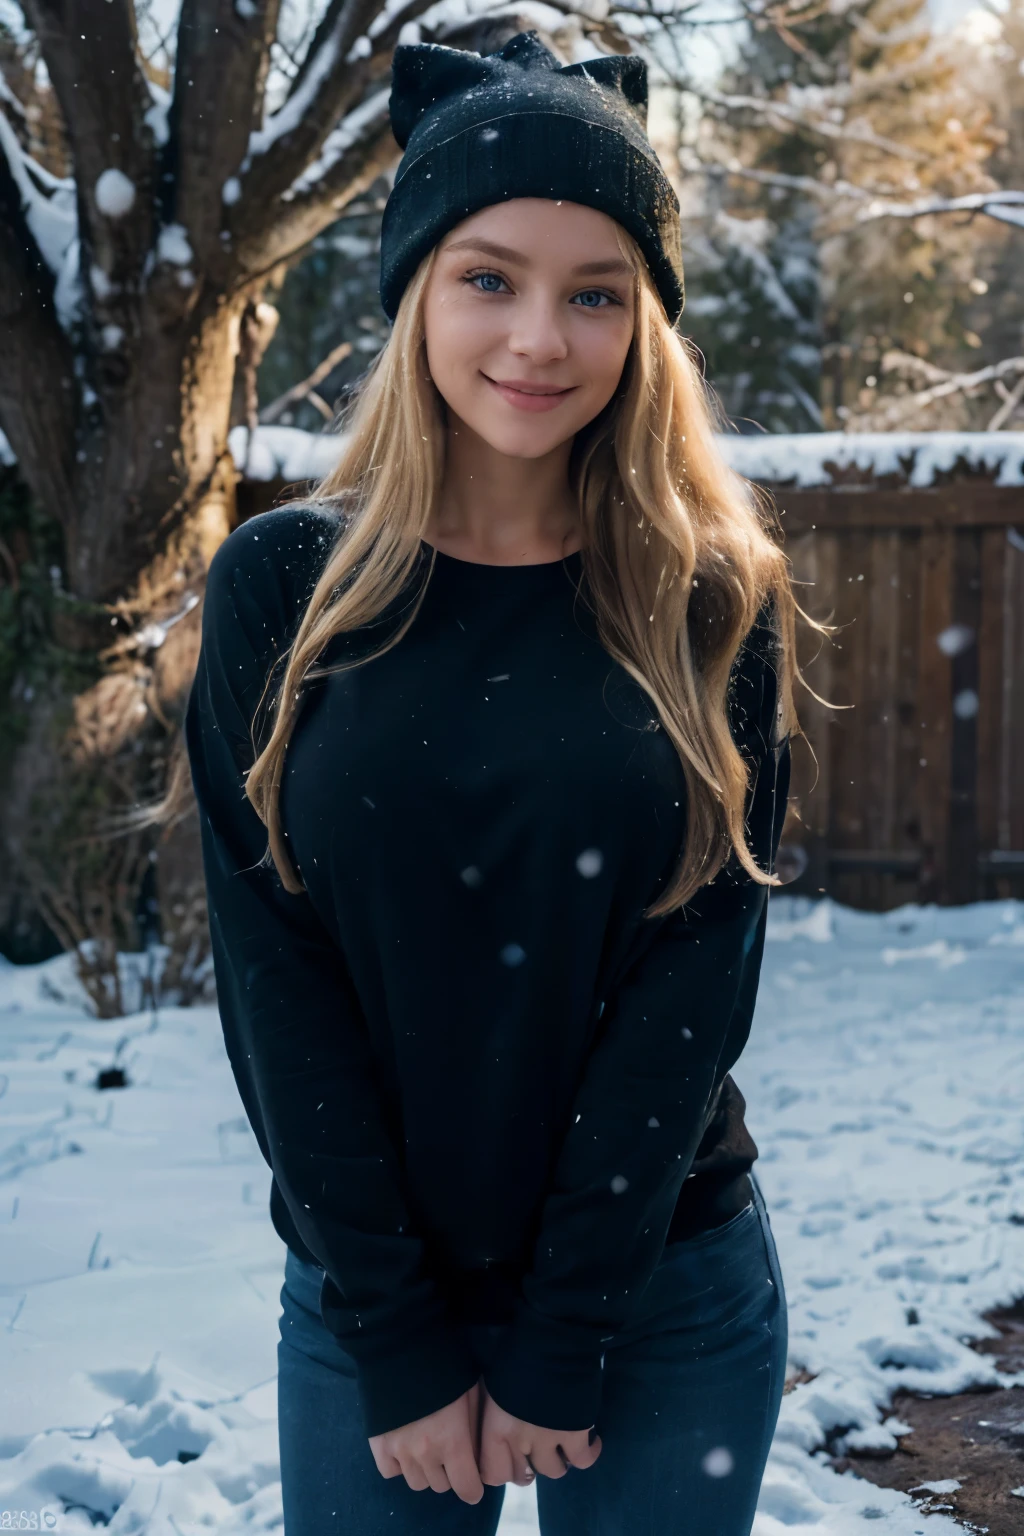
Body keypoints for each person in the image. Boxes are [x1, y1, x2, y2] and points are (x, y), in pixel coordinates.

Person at [185, 30, 807, 1536]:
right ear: (415, 291)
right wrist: (399, 1335)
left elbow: (693, 978)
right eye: (490, 277)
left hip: (662, 1287)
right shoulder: (287, 587)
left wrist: (567, 1331)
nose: (539, 336)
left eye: (596, 292)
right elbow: (276, 976)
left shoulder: (708, 594)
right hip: (369, 1296)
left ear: (646, 323)